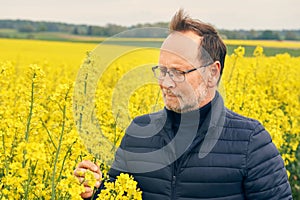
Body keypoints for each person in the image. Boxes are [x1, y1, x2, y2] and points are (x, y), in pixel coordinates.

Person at [74, 9, 292, 200]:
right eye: (162, 71)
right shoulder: (138, 133)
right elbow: (115, 196)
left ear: (212, 73)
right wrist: (94, 192)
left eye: (178, 72)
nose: (165, 83)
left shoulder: (250, 141)